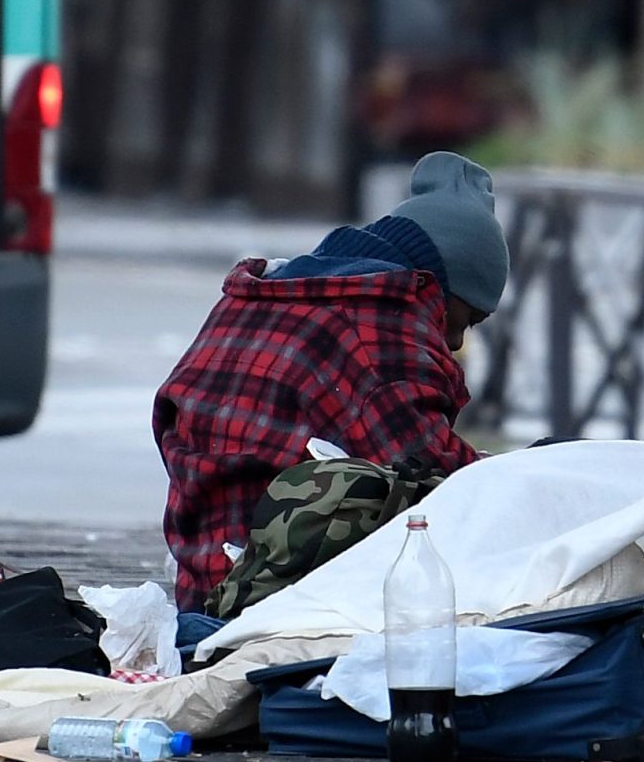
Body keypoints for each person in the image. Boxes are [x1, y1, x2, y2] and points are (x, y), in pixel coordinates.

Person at [154, 152, 510, 612]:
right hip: (273, 596)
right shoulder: (380, 323)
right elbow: (443, 478)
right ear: (439, 286)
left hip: (201, 578)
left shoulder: (265, 293)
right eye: (468, 318)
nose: (458, 339)